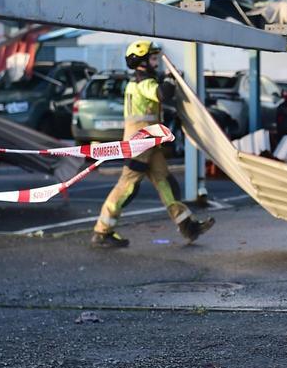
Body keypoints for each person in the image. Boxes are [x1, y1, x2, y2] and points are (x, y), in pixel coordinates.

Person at [91, 40, 215, 248]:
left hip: (149, 144)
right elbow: (162, 94)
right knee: (127, 188)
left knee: (166, 183)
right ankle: (102, 232)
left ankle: (188, 226)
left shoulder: (140, 81)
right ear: (141, 61)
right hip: (139, 145)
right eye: (153, 58)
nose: (156, 62)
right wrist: (170, 79)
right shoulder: (143, 82)